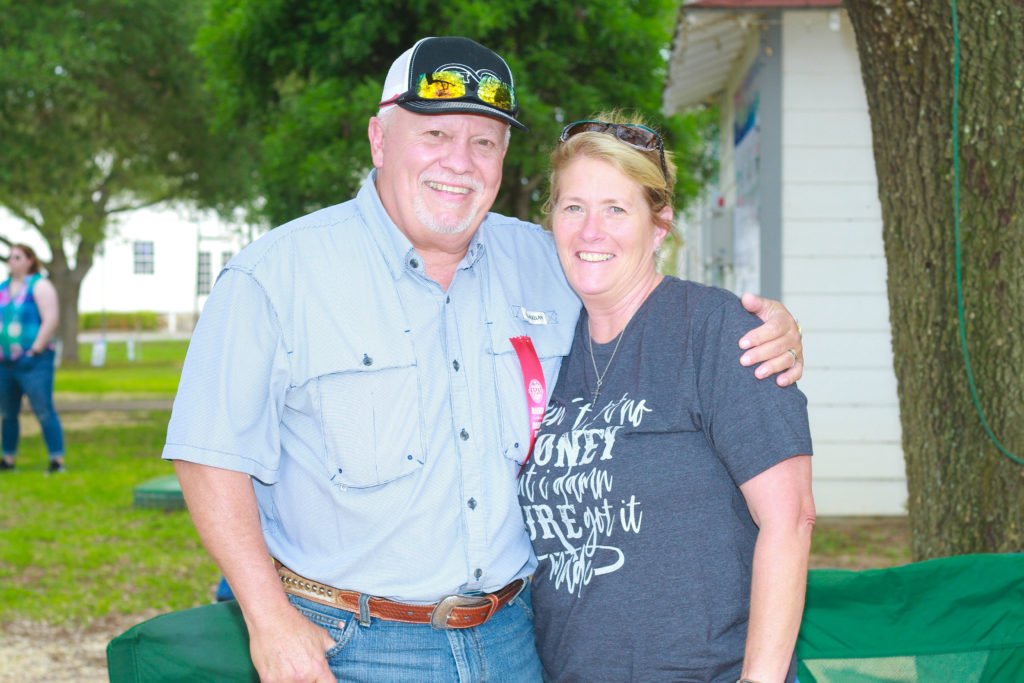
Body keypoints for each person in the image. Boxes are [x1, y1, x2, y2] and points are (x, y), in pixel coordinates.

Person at [163, 37, 804, 682]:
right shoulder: (275, 276)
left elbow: (636, 286)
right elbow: (207, 455)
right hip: (352, 645)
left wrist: (765, 325)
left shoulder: (547, 260)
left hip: (515, 641)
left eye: (485, 142)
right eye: (435, 133)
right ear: (379, 140)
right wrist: (269, 620)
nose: (460, 162)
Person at [518, 113, 815, 683]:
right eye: (573, 206)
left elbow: (791, 518)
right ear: (551, 220)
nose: (590, 230)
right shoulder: (549, 343)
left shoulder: (715, 330)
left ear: (660, 225)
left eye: (616, 209)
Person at [0, 244, 66, 474]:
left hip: (35, 362)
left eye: (17, 257)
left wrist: (35, 350)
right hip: (6, 362)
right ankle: (8, 459)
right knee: (8, 413)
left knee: (44, 410)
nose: (12, 261)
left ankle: (57, 461)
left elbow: (51, 319)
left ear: (29, 260)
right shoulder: (4, 288)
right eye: (10, 257)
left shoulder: (40, 285)